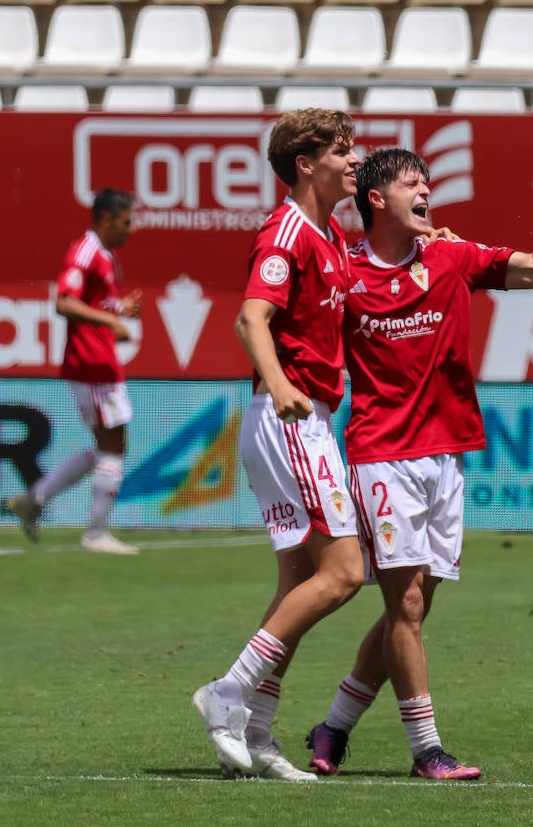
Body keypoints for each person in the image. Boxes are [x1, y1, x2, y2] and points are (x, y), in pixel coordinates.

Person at [304, 148, 533, 780]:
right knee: (408, 610)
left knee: (416, 601)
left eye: (427, 181)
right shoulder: (344, 276)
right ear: (376, 200)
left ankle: (334, 726)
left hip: (445, 458)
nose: (426, 189)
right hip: (381, 457)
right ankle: (427, 750)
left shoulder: (452, 257)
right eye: (410, 182)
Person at [191, 109, 364, 783]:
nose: (355, 160)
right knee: (345, 572)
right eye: (342, 151)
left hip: (308, 416)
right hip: (292, 418)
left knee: (300, 579)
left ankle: (257, 736)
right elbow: (250, 317)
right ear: (305, 163)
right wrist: (281, 383)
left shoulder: (330, 236)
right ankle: (227, 694)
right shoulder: (287, 230)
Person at [8, 188, 143, 555]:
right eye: (127, 222)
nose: (131, 230)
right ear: (108, 219)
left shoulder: (104, 255)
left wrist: (119, 310)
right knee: (113, 446)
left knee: (109, 446)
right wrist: (109, 322)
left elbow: (94, 302)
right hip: (90, 362)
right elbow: (64, 302)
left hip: (99, 361)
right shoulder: (84, 251)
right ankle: (95, 533)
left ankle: (33, 499)